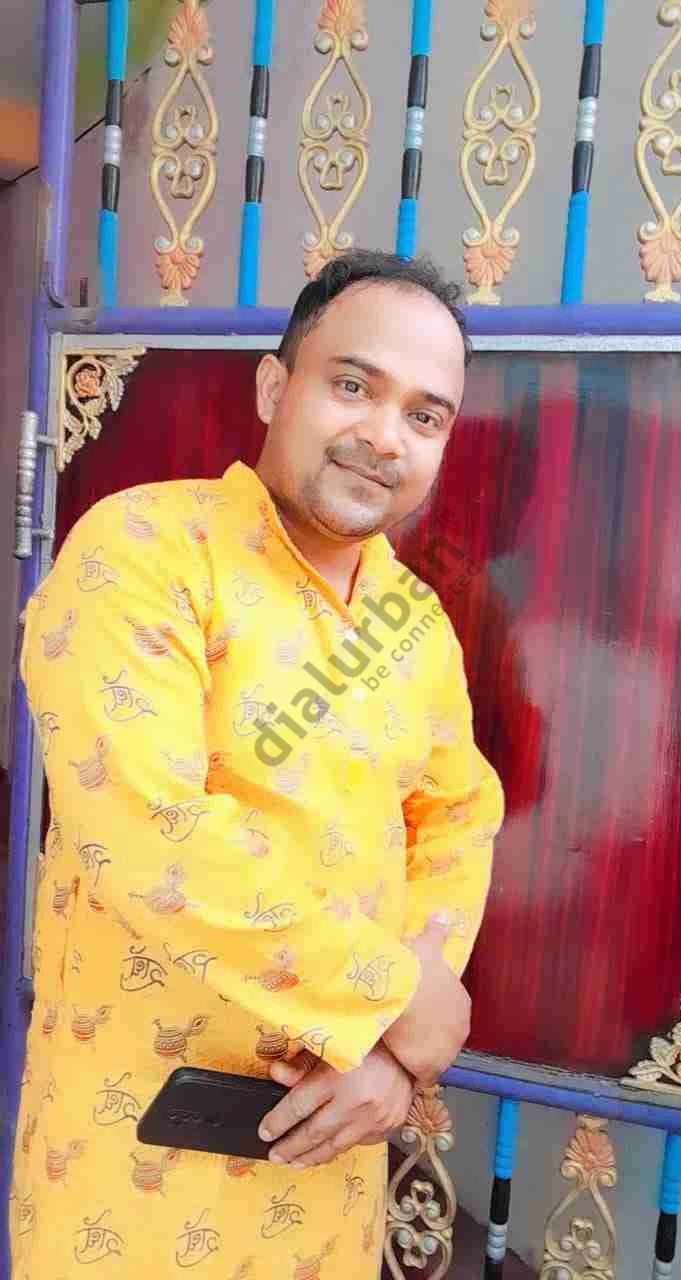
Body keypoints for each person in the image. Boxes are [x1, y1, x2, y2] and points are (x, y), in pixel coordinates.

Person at [10, 249, 504, 1279]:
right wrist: (393, 997)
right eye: (354, 385)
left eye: (425, 415)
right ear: (276, 387)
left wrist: (391, 1052)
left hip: (330, 1168)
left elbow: (457, 816)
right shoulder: (142, 550)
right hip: (138, 1171)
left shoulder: (414, 620)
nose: (385, 435)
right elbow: (147, 831)